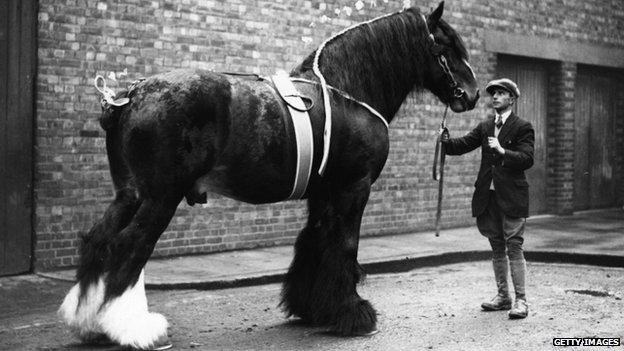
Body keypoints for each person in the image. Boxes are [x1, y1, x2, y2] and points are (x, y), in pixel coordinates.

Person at [442, 78, 534, 319]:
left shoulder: (523, 126)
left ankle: (521, 301)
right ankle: (503, 297)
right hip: (489, 196)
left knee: (514, 246)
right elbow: (463, 144)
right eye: (493, 93)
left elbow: (527, 158)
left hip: (512, 196)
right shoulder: (485, 127)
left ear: (511, 99)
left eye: (501, 93)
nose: (495, 97)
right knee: (496, 246)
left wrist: (503, 151)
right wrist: (445, 142)